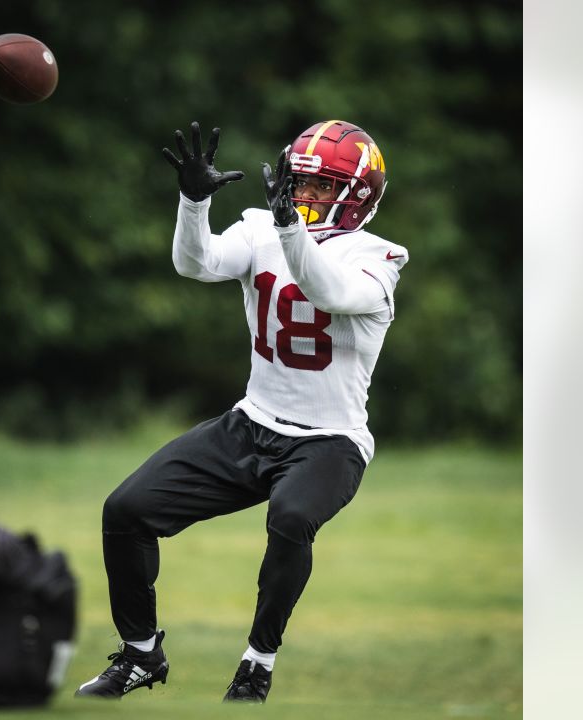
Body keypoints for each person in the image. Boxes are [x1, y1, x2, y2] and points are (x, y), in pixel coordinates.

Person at [73, 120, 408, 704]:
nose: (302, 196)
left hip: (330, 440)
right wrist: (193, 202)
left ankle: (257, 666)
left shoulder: (378, 257)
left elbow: (327, 291)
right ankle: (140, 653)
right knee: (126, 510)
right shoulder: (261, 228)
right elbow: (195, 263)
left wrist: (286, 227)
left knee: (291, 516)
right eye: (298, 183)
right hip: (251, 423)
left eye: (320, 188)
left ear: (356, 199)